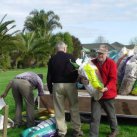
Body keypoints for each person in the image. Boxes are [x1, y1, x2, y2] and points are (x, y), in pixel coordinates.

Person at [47, 41, 83, 137]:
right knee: (74, 107)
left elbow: (49, 76)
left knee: (59, 109)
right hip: (70, 85)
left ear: (56, 49)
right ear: (64, 48)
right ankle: (76, 130)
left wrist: (50, 90)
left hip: (57, 85)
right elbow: (76, 71)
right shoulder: (70, 57)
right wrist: (75, 81)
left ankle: (62, 131)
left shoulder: (52, 59)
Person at [82, 44, 118, 137]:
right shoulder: (91, 63)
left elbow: (113, 79)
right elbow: (85, 74)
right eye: (98, 53)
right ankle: (93, 135)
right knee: (94, 116)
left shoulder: (112, 63)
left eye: (102, 53)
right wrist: (83, 79)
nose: (100, 55)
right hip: (96, 94)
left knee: (111, 115)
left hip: (108, 94)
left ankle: (114, 130)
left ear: (106, 53)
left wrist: (106, 88)